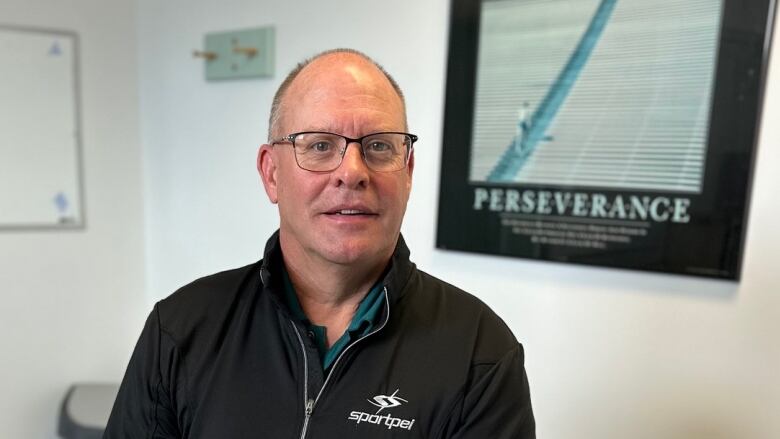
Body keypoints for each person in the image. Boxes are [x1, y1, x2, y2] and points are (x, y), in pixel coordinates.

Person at [104, 48, 535, 438]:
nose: (352, 172)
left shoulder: (479, 353)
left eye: (379, 146)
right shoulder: (181, 330)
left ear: (408, 172)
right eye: (320, 145)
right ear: (271, 173)